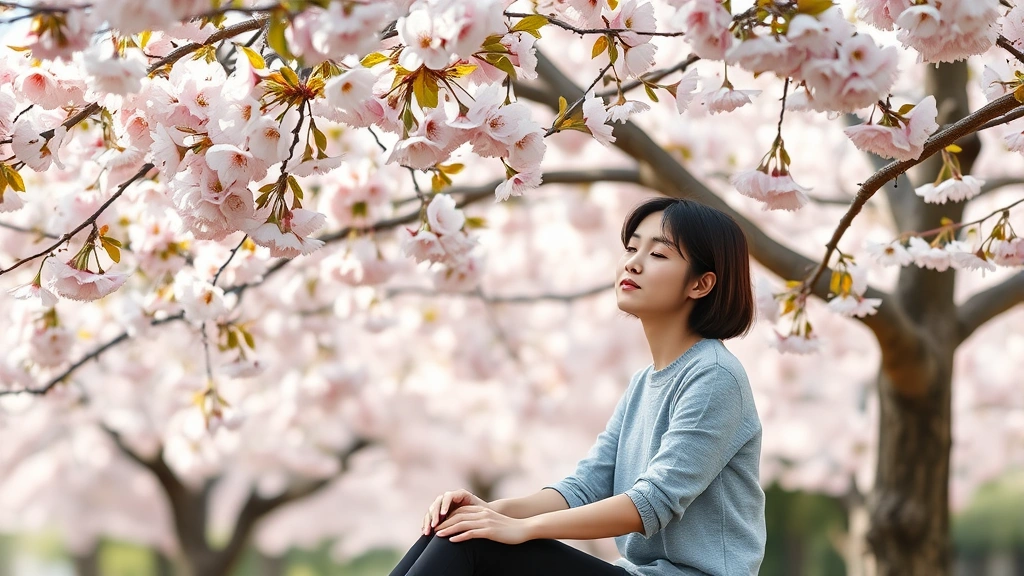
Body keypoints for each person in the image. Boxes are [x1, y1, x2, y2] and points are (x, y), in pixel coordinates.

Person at [389, 197, 766, 576]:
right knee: (457, 525)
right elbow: (586, 485)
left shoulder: (715, 376)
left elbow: (651, 502)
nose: (633, 262)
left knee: (473, 542)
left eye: (659, 255)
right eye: (632, 248)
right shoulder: (643, 383)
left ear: (701, 284)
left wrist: (523, 529)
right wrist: (491, 510)